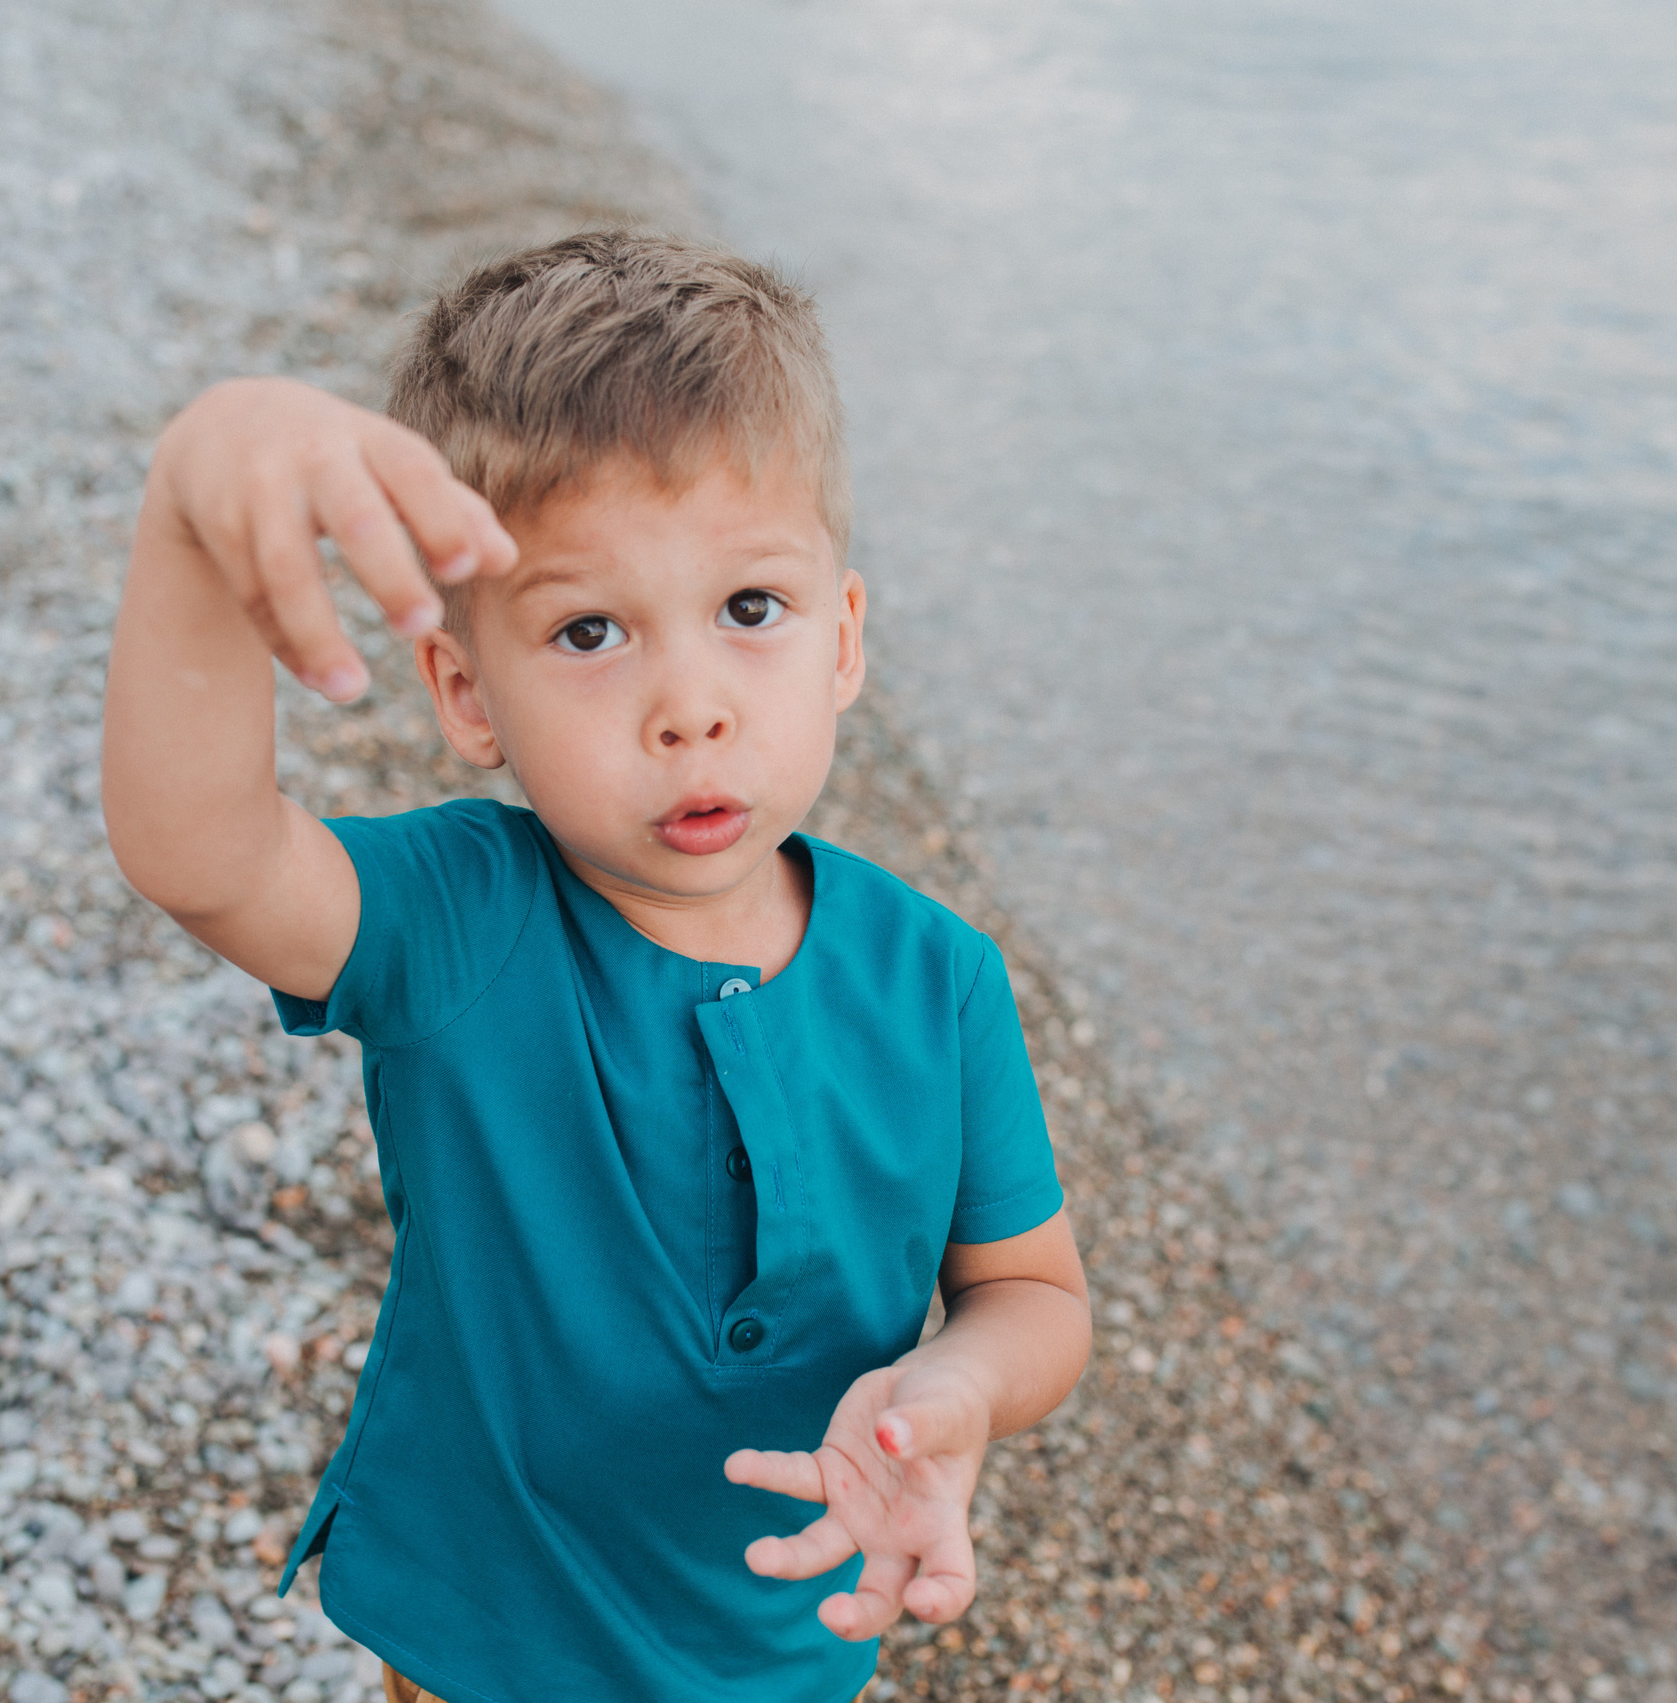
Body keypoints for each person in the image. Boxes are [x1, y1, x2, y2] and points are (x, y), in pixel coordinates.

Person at [100, 231, 1090, 1703]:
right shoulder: (459, 920)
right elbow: (206, 853)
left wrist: (953, 1390)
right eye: (588, 631)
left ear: (843, 639)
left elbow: (1033, 1296)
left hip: (789, 1638)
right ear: (465, 691)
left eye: (749, 610)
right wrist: (197, 493)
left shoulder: (935, 979)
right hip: (490, 1641)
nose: (688, 707)